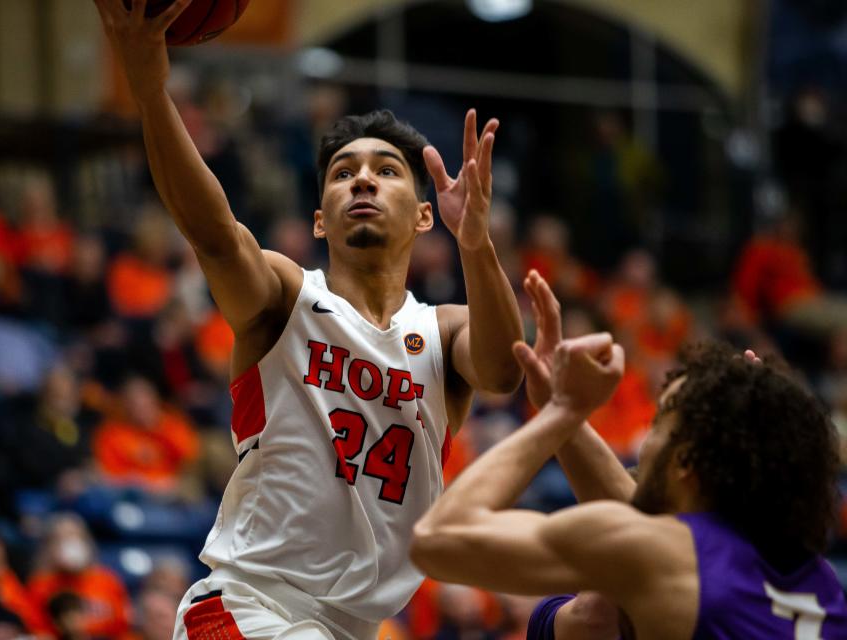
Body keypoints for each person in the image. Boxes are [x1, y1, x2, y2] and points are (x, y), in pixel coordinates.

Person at [91, 1, 524, 638]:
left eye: (387, 171)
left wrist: (477, 244)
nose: (363, 183)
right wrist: (149, 89)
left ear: (425, 217)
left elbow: (503, 370)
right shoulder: (289, 299)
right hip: (252, 607)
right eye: (343, 174)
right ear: (321, 219)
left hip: (347, 626)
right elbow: (214, 235)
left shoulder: (445, 331)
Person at [411, 274, 847, 638]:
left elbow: (438, 537)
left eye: (660, 425)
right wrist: (556, 406)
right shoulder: (824, 587)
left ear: (688, 464)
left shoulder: (665, 557)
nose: (644, 442)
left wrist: (563, 414)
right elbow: (644, 514)